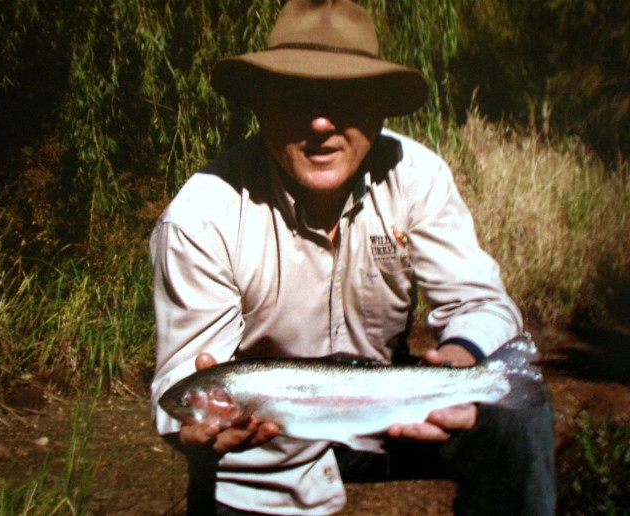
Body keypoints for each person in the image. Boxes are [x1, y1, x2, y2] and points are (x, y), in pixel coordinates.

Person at [150, 0, 555, 514]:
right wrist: (193, 433)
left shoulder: (417, 176)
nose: (321, 122)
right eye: (296, 98)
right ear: (261, 105)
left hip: (391, 411)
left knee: (520, 418)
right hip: (262, 443)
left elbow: (483, 303)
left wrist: (461, 361)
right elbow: (179, 386)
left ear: (381, 108)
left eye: (346, 98)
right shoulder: (200, 216)